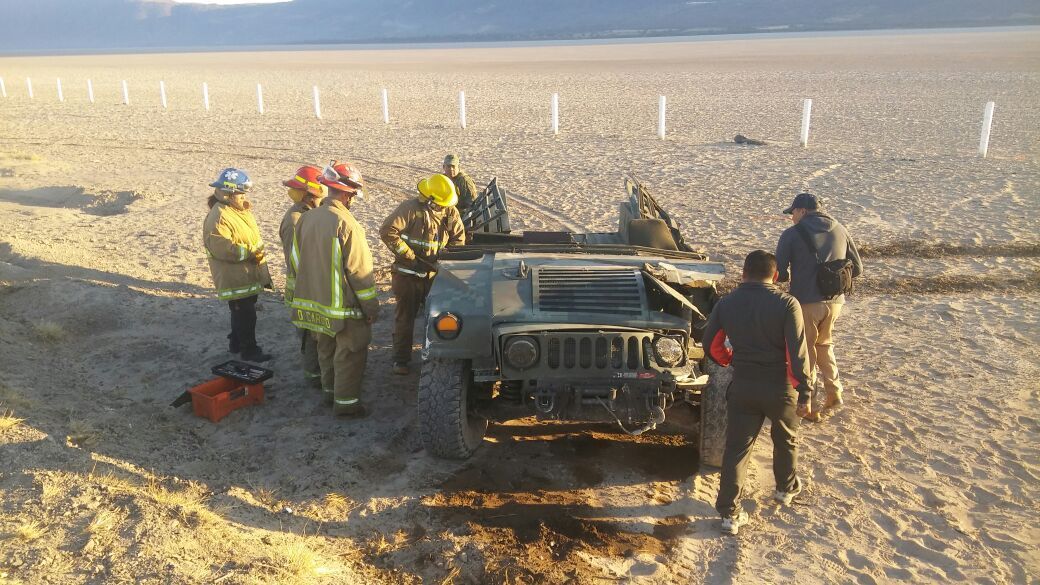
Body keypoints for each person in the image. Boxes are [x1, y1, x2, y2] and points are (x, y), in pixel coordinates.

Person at [702, 250, 812, 536]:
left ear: (743, 273)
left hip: (744, 385)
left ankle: (729, 513)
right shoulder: (787, 303)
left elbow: (711, 345)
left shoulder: (726, 304)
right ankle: (785, 489)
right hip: (780, 387)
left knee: (737, 449)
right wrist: (805, 390)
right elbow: (797, 352)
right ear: (775, 276)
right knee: (786, 438)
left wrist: (730, 360)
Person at [289, 161, 379, 417]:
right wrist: (371, 308)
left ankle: (329, 393)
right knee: (350, 354)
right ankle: (347, 405)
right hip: (344, 310)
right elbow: (360, 274)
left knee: (325, 350)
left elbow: (295, 263)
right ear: (348, 193)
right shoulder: (347, 224)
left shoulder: (306, 219)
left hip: (315, 305)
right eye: (353, 195)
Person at [775, 192, 863, 416]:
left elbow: (780, 272)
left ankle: (811, 405)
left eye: (793, 212)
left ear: (802, 211)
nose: (791, 217)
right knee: (824, 344)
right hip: (835, 301)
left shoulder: (792, 234)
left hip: (806, 301)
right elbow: (858, 269)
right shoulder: (841, 229)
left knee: (806, 352)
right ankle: (834, 392)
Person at [379, 173, 466, 375]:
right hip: (407, 275)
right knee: (405, 318)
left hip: (435, 277)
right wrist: (408, 255)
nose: (444, 208)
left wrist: (443, 261)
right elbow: (387, 231)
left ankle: (435, 358)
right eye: (441, 205)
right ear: (429, 199)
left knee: (438, 319)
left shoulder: (450, 213)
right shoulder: (410, 209)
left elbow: (458, 241)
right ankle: (400, 361)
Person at [203, 167, 273, 362]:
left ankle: (235, 342)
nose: (244, 196)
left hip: (245, 274)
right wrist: (251, 252)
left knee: (242, 311)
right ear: (229, 193)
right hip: (235, 277)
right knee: (246, 316)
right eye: (241, 192)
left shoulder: (236, 211)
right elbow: (223, 248)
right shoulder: (219, 217)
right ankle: (249, 350)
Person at [279, 165, 327, 388]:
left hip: (309, 286)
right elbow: (296, 260)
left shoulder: (307, 214)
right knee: (309, 335)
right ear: (309, 195)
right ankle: (313, 377)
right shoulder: (295, 220)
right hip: (303, 288)